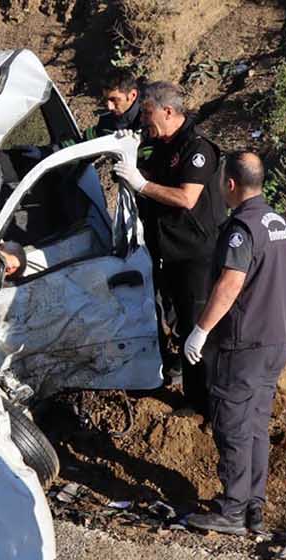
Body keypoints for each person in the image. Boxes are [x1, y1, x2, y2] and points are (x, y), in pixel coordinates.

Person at [183, 151, 286, 536]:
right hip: (277, 340)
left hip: (246, 342)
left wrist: (200, 330)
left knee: (233, 424)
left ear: (229, 185)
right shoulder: (279, 222)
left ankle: (233, 508)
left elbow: (231, 282)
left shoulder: (242, 228)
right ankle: (254, 506)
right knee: (254, 424)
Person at [112, 81, 224, 416]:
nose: (144, 121)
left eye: (147, 114)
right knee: (179, 323)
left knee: (198, 327)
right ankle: (190, 390)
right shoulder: (162, 144)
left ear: (168, 111)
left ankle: (206, 404)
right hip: (168, 252)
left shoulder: (196, 148)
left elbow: (186, 198)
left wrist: (141, 184)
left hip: (196, 254)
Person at [90, 71, 142, 137]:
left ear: (132, 95)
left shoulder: (151, 120)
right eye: (106, 99)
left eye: (114, 100)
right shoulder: (105, 122)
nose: (109, 107)